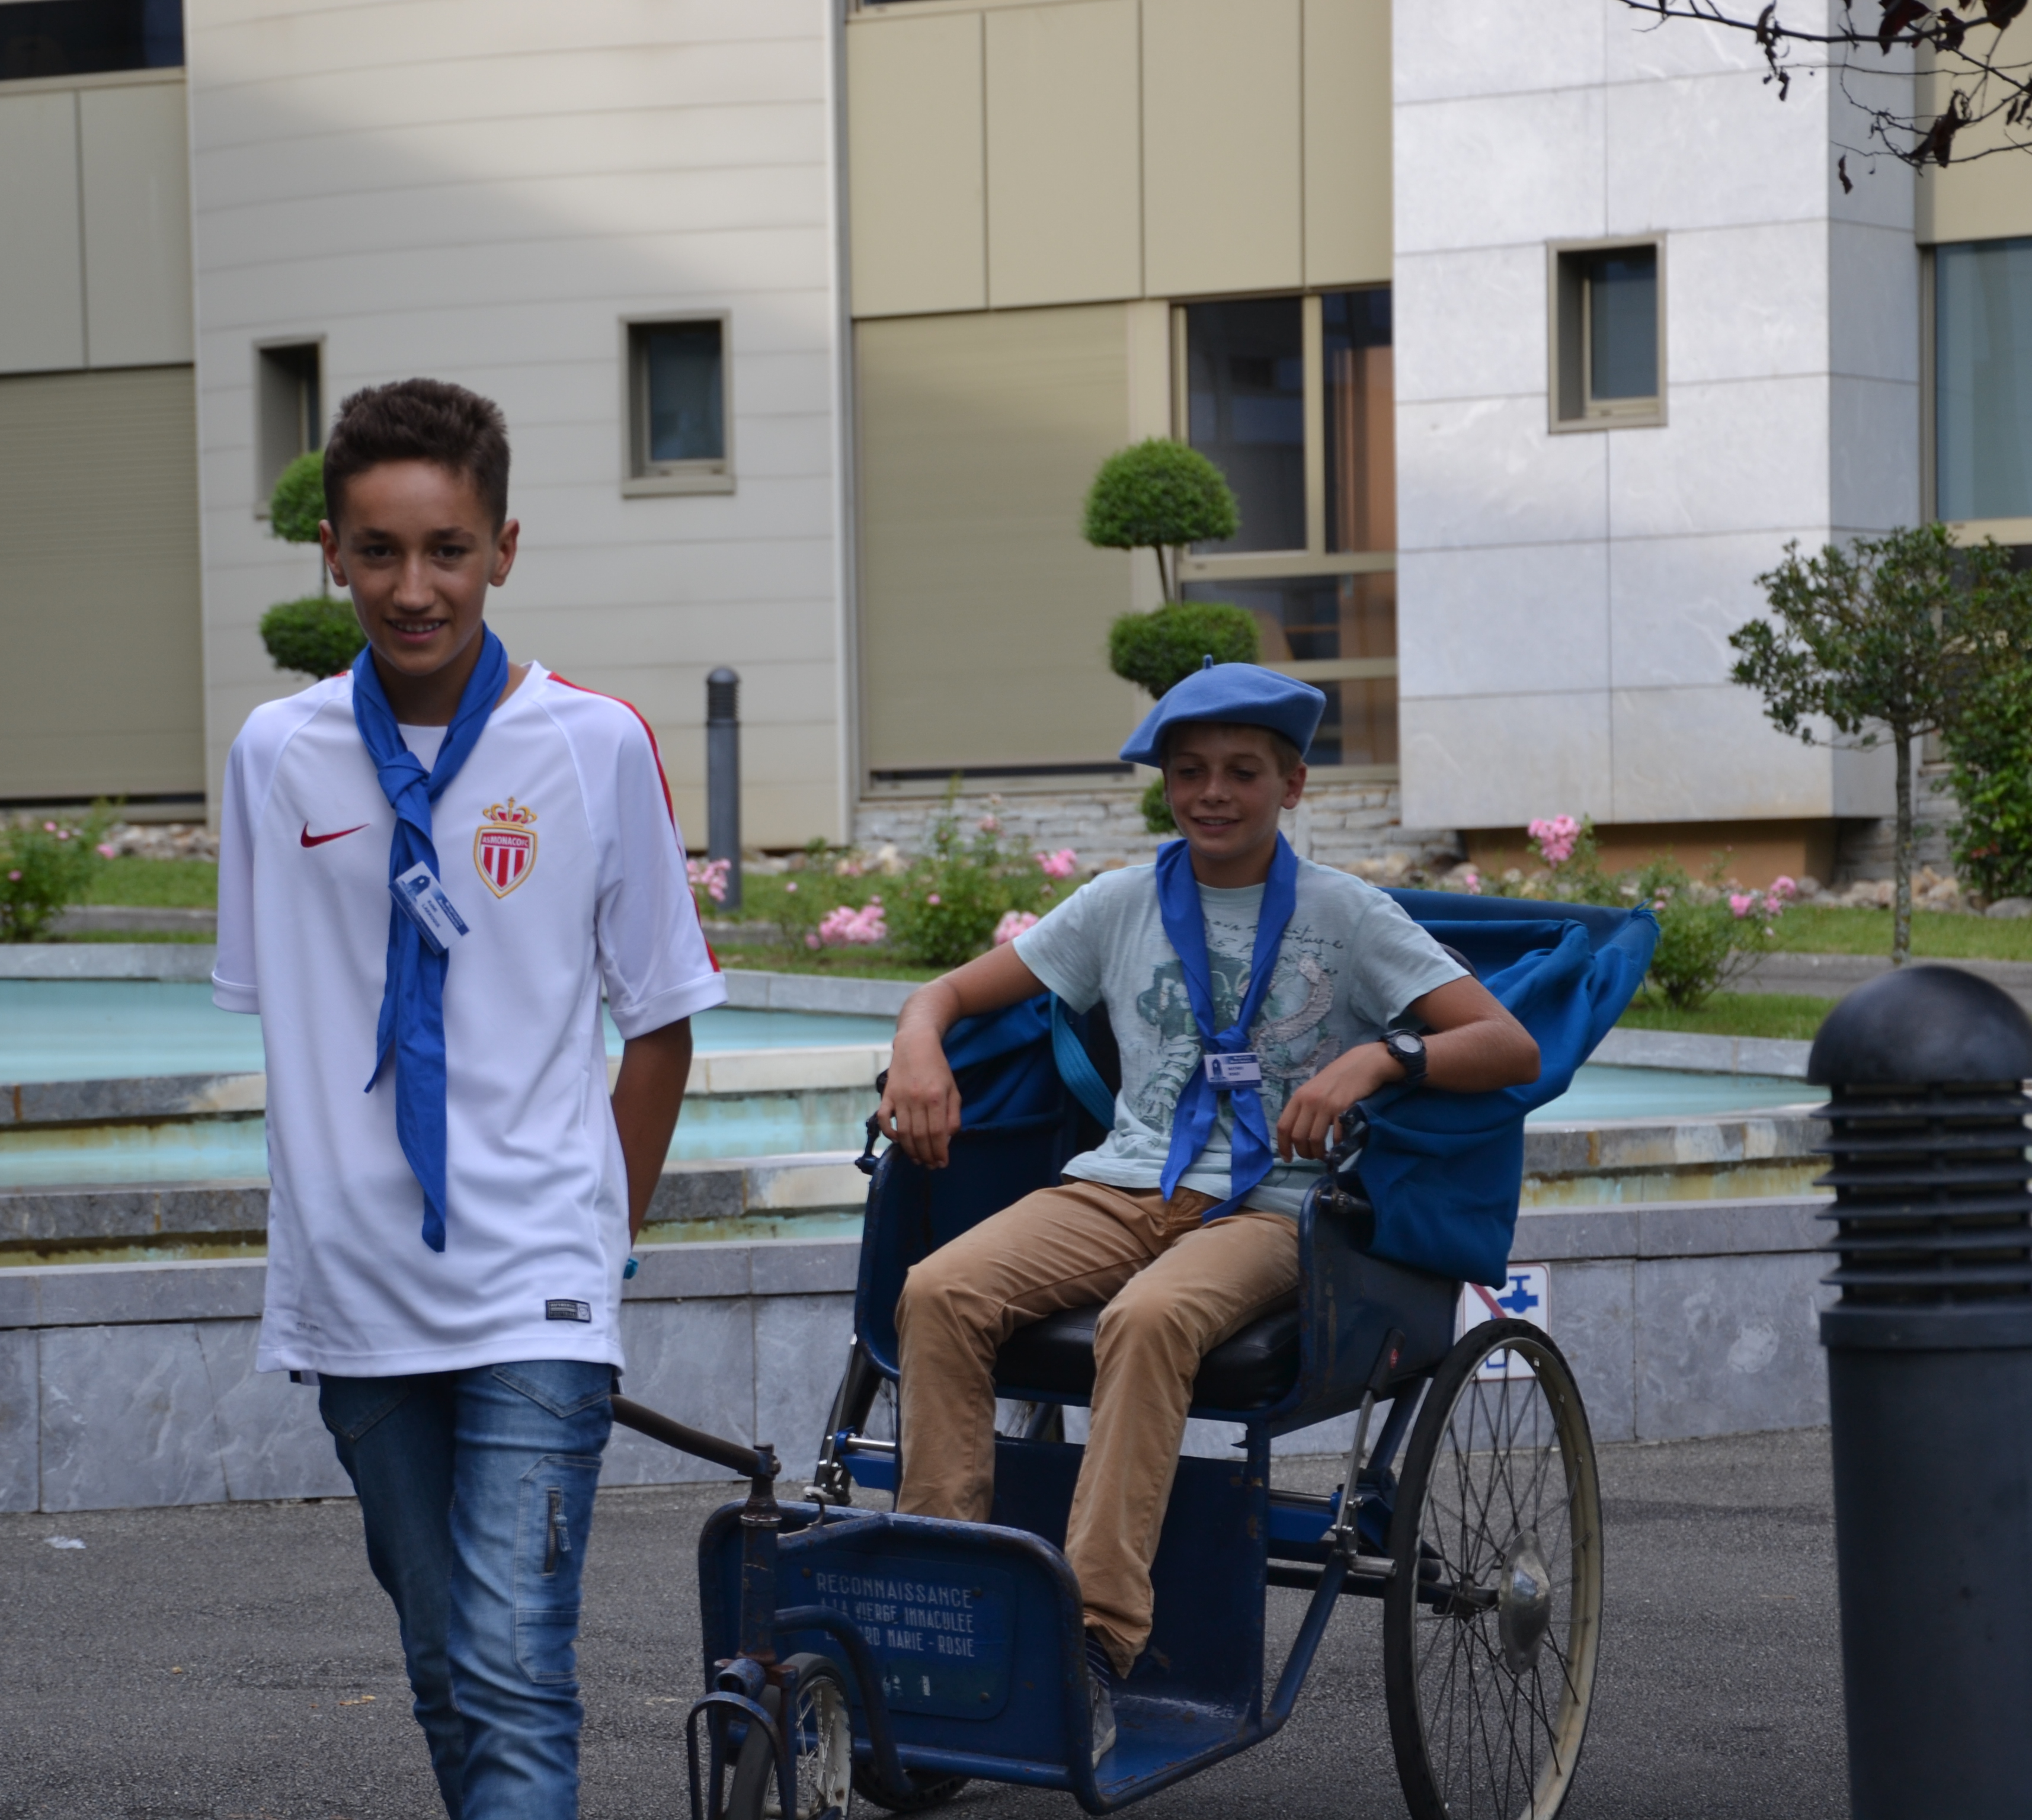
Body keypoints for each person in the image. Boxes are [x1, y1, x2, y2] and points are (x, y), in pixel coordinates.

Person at [211, 377, 726, 1819]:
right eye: (379, 551)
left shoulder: (592, 744)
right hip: (355, 1285)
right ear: (331, 553)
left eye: (447, 549)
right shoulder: (276, 755)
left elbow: (661, 1022)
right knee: (447, 1667)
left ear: (504, 546)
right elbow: (283, 1010)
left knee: (511, 1668)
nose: (413, 587)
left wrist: (602, 1234)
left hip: (535, 1275)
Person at [874, 662, 1539, 1761]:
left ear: (1292, 785)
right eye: (1190, 773)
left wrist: (1381, 1057)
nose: (1213, 793)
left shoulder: (1348, 916)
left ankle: (1092, 1643)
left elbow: (1508, 1045)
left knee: (1150, 1319)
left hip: (1276, 1211)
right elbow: (943, 994)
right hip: (1125, 1184)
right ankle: (954, 1606)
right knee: (938, 1290)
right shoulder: (1119, 904)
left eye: (1241, 772)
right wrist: (917, 1046)